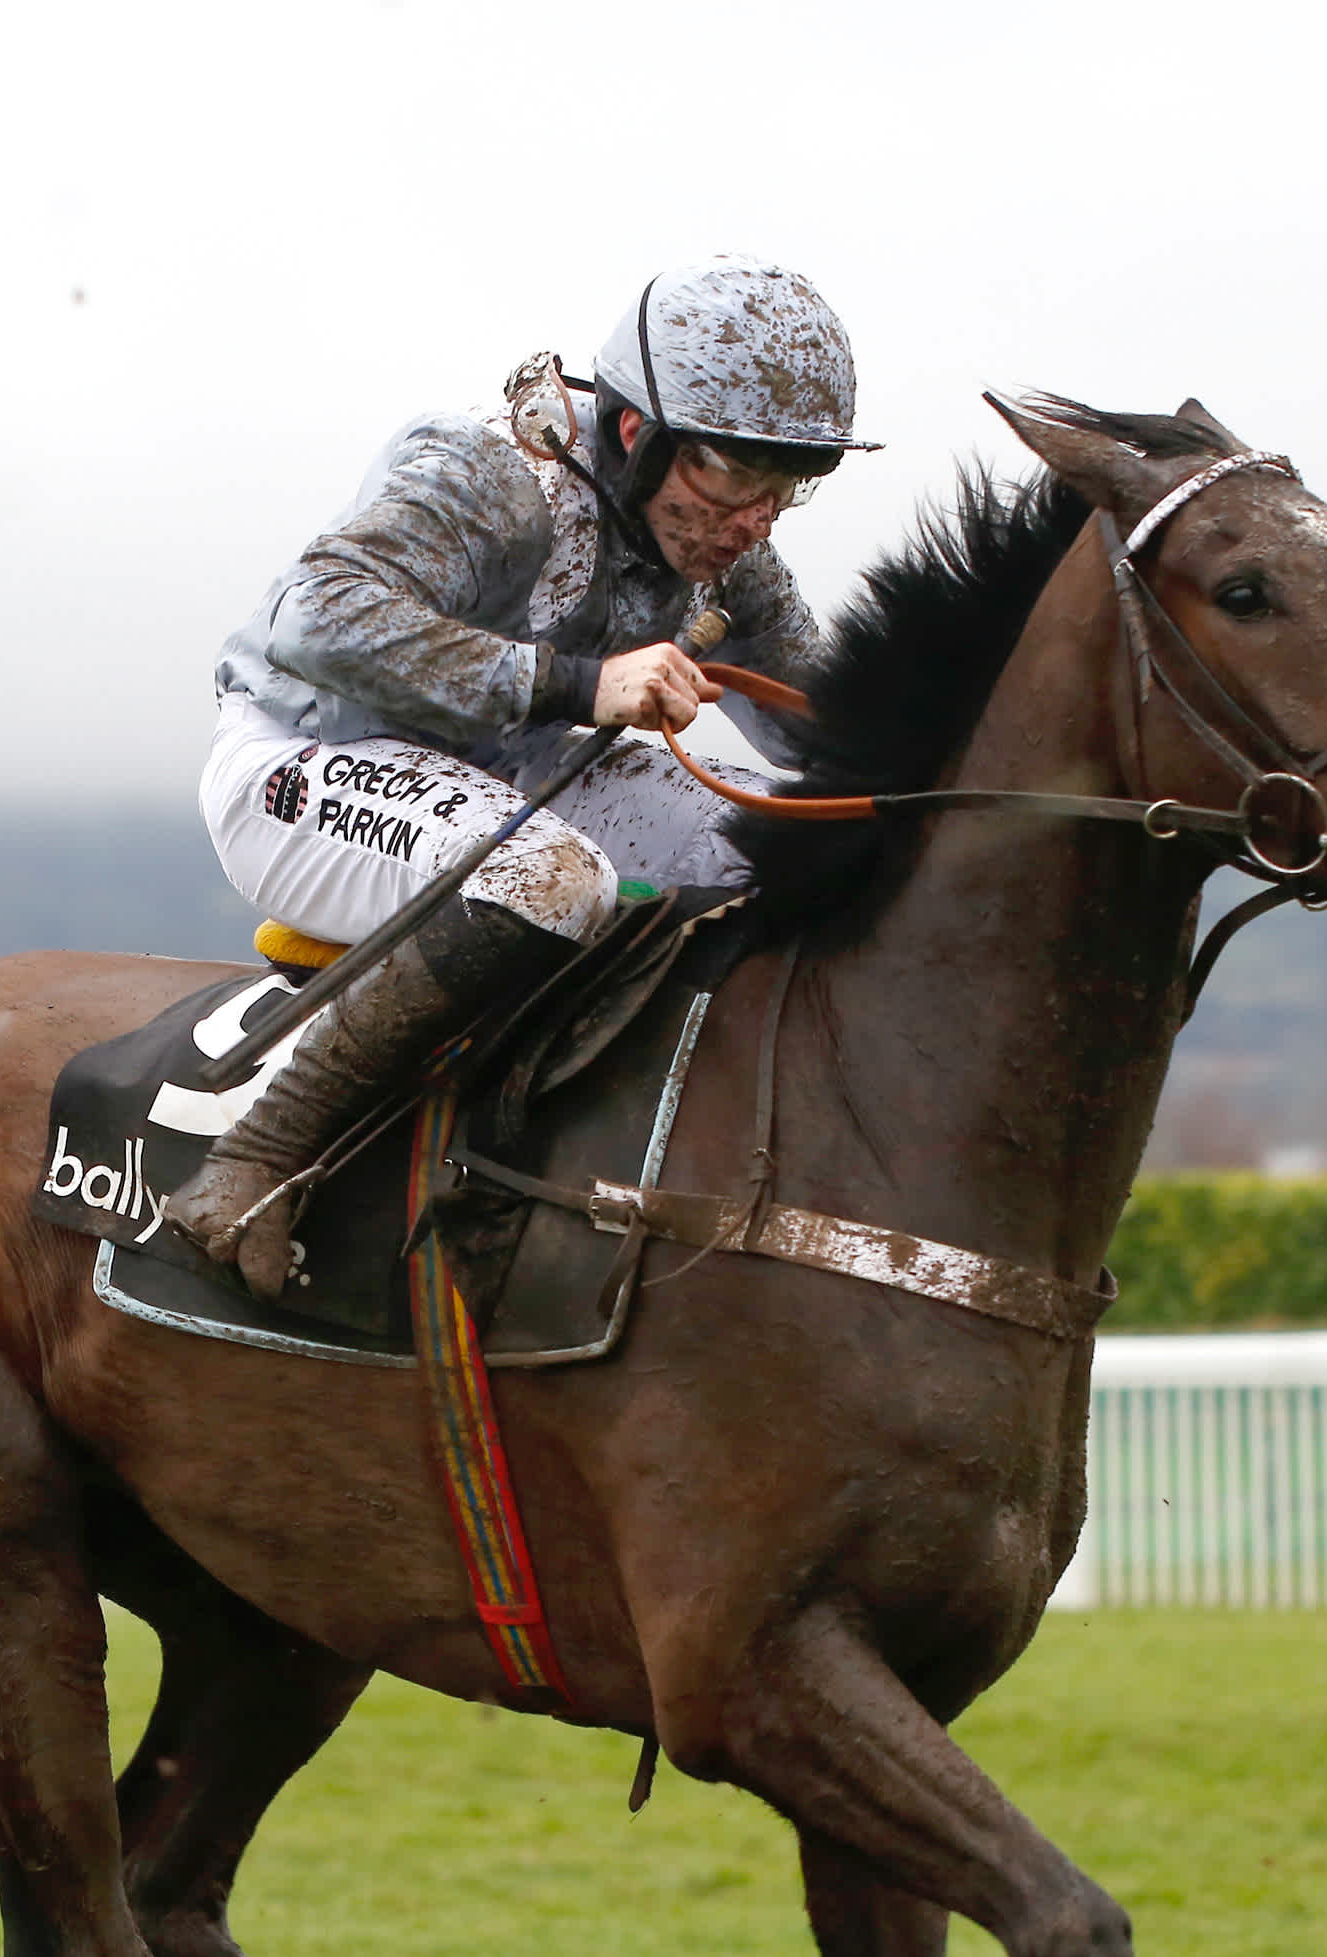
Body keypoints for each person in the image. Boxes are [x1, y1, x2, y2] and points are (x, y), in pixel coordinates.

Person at [159, 258, 870, 1295]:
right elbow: (313, 617)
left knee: (782, 841)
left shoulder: (721, 538)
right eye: (735, 473)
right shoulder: (494, 474)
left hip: (523, 782)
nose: (757, 516)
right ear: (638, 435)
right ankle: (255, 1164)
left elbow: (831, 723)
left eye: (788, 483)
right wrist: (580, 684)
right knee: (553, 880)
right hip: (311, 762)